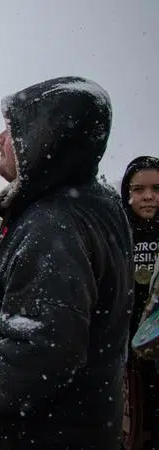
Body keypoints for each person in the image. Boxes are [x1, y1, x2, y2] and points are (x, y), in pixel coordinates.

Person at [0, 76, 132, 449]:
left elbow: (42, 351)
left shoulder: (53, 224)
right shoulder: (94, 203)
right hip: (84, 427)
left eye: (10, 128)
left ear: (44, 137)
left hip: (47, 436)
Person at [120, 156, 159, 450]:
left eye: (157, 189)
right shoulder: (118, 234)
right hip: (127, 349)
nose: (148, 196)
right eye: (139, 189)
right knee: (133, 425)